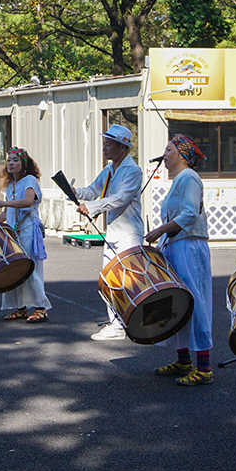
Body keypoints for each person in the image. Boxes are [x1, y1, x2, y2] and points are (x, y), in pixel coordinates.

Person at [144, 135, 212, 385]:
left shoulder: (189, 177)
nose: (164, 153)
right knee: (177, 301)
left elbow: (190, 214)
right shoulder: (179, 180)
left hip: (188, 246)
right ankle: (184, 360)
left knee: (193, 301)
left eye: (169, 149)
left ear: (182, 155)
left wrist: (160, 230)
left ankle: (204, 367)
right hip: (178, 245)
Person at [75, 124, 143, 340]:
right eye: (104, 143)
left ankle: (130, 322)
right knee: (108, 279)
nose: (104, 148)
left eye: (108, 144)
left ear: (122, 147)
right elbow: (93, 191)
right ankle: (117, 324)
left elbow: (121, 198)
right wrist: (74, 192)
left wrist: (92, 207)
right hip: (113, 233)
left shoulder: (133, 171)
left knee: (131, 281)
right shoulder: (108, 170)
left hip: (129, 233)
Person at [0, 147, 50, 323]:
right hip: (13, 232)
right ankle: (21, 308)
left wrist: (4, 202)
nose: (11, 163)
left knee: (29, 268)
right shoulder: (11, 186)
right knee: (14, 268)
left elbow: (27, 201)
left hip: (28, 230)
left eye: (16, 160)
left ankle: (41, 308)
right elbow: (6, 213)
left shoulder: (30, 180)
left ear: (24, 164)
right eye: (9, 160)